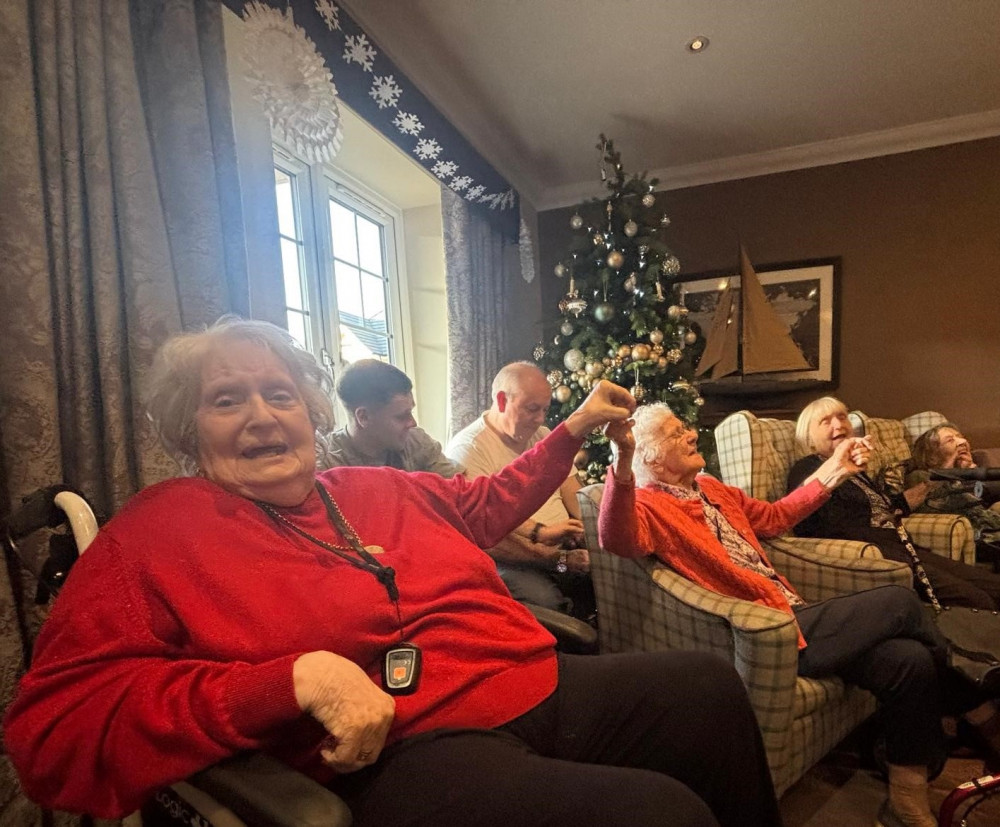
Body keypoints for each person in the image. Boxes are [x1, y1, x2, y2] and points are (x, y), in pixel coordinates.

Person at [3, 318, 782, 827]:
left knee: (706, 687)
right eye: (226, 400)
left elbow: (487, 502)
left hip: (533, 679)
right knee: (658, 814)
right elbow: (52, 732)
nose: (262, 415)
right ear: (187, 429)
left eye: (279, 394)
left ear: (312, 412)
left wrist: (573, 427)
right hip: (410, 748)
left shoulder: (372, 485)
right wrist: (289, 681)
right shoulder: (160, 529)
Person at [599, 402, 998, 827]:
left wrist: (836, 469)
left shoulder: (712, 489)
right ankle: (979, 699)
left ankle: (905, 799)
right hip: (763, 632)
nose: (692, 434)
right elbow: (616, 537)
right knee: (899, 602)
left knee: (909, 660)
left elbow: (776, 517)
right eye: (676, 433)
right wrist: (622, 458)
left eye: (686, 427)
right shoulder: (647, 505)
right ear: (651, 457)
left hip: (794, 611)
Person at [787, 397, 1000, 610]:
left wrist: (929, 484)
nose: (838, 424)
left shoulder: (856, 472)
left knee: (993, 585)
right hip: (877, 556)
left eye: (842, 417)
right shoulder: (807, 469)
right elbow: (807, 521)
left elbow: (888, 508)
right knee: (978, 600)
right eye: (826, 421)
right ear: (809, 438)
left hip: (902, 547)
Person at [446, 362, 594, 618]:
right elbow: (485, 536)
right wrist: (555, 558)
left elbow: (574, 494)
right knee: (545, 601)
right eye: (532, 409)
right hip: (512, 558)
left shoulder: (543, 435)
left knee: (607, 573)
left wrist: (589, 531)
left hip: (560, 551)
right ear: (502, 401)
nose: (540, 419)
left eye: (545, 409)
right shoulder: (469, 449)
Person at [322, 358, 463, 477]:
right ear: (364, 417)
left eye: (411, 412)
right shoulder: (327, 465)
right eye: (401, 416)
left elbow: (461, 491)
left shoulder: (417, 442)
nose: (413, 423)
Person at [909, 423, 1000, 563]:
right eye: (950, 440)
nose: (962, 442)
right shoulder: (920, 477)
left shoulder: (970, 474)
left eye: (960, 437)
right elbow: (944, 503)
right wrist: (953, 470)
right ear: (932, 457)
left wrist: (969, 472)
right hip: (978, 539)